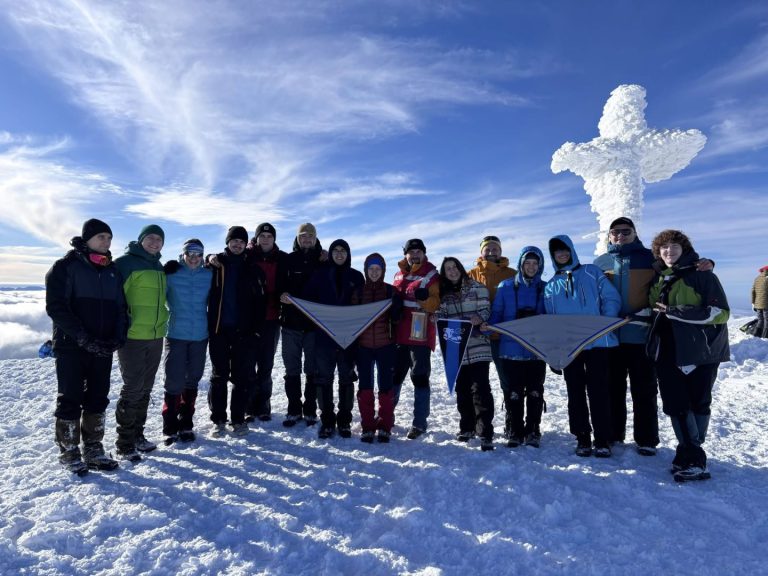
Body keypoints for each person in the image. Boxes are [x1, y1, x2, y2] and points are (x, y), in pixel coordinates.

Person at [45, 218, 127, 475]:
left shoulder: (112, 270)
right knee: (70, 397)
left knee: (98, 397)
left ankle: (93, 448)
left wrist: (118, 337)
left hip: (102, 347)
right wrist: (82, 338)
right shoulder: (66, 267)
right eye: (101, 237)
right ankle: (69, 451)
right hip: (72, 346)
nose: (106, 241)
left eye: (109, 238)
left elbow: (121, 309)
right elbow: (56, 308)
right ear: (87, 239)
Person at [647, 230, 729, 482]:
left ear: (685, 250)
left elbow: (720, 313)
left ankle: (692, 455)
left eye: (674, 247)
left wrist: (676, 312)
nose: (669, 252)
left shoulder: (702, 275)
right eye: (664, 248)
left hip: (701, 349)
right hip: (668, 349)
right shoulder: (659, 279)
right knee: (675, 403)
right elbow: (654, 311)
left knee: (699, 402)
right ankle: (691, 453)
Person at [544, 235, 621, 458]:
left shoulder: (591, 272)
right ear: (553, 256)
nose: (562, 254)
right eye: (557, 251)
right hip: (570, 349)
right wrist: (554, 353)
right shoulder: (550, 286)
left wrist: (604, 324)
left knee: (599, 392)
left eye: (565, 250)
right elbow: (550, 322)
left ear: (571, 250)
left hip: (598, 343)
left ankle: (603, 439)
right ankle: (582, 437)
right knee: (574, 393)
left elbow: (611, 298)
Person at [593, 217, 660, 455]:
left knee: (644, 389)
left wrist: (706, 263)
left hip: (641, 335)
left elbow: (672, 277)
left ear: (634, 233)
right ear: (609, 236)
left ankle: (647, 439)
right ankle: (613, 434)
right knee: (612, 388)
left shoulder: (650, 259)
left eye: (625, 231)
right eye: (615, 232)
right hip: (610, 337)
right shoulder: (601, 262)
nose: (620, 236)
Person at [113, 224, 168, 462]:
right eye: (151, 238)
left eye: (159, 240)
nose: (155, 243)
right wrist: (122, 324)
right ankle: (124, 442)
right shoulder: (124, 263)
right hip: (133, 336)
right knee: (133, 387)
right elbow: (114, 298)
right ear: (141, 239)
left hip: (156, 335)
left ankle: (138, 435)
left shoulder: (159, 266)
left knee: (146, 387)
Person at [206, 226, 266, 437]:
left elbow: (261, 303)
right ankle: (219, 420)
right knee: (219, 376)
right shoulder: (215, 265)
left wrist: (256, 332)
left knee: (242, 378)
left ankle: (238, 419)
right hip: (219, 330)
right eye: (234, 241)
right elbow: (192, 265)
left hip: (244, 332)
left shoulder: (253, 269)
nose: (238, 244)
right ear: (228, 242)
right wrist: (208, 258)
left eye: (242, 241)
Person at [302, 239, 364, 438]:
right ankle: (327, 420)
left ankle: (344, 421)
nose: (339, 254)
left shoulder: (356, 276)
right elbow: (306, 298)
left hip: (348, 339)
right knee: (323, 379)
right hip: (324, 338)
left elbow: (363, 306)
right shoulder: (320, 275)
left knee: (346, 378)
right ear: (331, 254)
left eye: (343, 251)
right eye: (335, 250)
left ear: (348, 254)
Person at [487, 247, 547, 448]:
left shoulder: (545, 289)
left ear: (540, 266)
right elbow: (497, 315)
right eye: (527, 263)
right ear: (521, 265)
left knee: (535, 392)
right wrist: (487, 327)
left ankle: (533, 430)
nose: (531, 267)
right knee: (513, 392)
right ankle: (514, 429)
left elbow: (551, 319)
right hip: (510, 351)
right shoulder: (505, 287)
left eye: (534, 263)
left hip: (536, 351)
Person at [437, 257, 495, 451]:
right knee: (462, 390)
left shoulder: (478, 287)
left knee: (480, 390)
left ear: (460, 269)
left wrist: (480, 317)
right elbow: (441, 316)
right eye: (447, 269)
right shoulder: (444, 296)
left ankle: (485, 431)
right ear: (444, 273)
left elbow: (487, 309)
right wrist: (433, 318)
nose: (452, 271)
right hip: (456, 348)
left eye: (454, 267)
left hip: (478, 346)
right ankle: (467, 427)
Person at [162, 238, 212, 445]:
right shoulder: (171, 274)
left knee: (193, 378)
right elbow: (159, 297)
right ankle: (169, 424)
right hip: (176, 334)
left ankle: (186, 423)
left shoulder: (209, 275)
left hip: (200, 334)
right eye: (189, 254)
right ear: (183, 254)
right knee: (174, 380)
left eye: (198, 254)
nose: (193, 258)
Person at [392, 239, 441, 440]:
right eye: (410, 252)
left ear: (424, 253)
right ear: (405, 254)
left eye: (418, 251)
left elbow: (436, 303)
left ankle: (419, 422)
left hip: (420, 335)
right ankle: (386, 415)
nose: (414, 255)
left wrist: (425, 298)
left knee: (419, 377)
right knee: (394, 376)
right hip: (398, 334)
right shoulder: (398, 274)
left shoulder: (432, 275)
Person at [467, 235, 516, 433]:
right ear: (481, 252)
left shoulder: (512, 273)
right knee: (478, 383)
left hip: (502, 336)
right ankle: (477, 423)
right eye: (488, 248)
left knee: (507, 381)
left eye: (495, 248)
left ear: (501, 250)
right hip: (477, 336)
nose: (491, 251)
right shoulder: (470, 274)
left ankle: (511, 421)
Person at [279, 223, 326, 427]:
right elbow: (277, 286)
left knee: (312, 369)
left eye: (310, 236)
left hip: (314, 326)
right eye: (303, 236)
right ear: (297, 238)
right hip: (290, 324)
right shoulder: (288, 260)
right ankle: (293, 409)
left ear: (315, 238)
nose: (306, 239)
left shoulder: (323, 261)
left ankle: (309, 409)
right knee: (292, 369)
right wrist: (281, 295)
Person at [352, 253, 402, 443]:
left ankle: (384, 425)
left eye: (377, 269)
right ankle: (367, 425)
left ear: (383, 271)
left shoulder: (391, 292)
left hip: (385, 346)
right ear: (366, 270)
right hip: (363, 346)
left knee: (385, 387)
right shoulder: (358, 292)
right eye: (371, 269)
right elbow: (352, 319)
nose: (374, 272)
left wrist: (397, 309)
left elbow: (398, 320)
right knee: (365, 386)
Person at [245, 223, 288, 421]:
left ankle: (263, 404)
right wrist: (211, 258)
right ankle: (249, 404)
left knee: (266, 364)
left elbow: (306, 260)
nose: (265, 239)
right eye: (262, 235)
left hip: (272, 318)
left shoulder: (282, 258)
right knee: (248, 363)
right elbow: (225, 258)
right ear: (256, 238)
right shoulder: (247, 256)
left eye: (269, 236)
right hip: (250, 318)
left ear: (274, 239)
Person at [751, 266, 768, 338]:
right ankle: (765, 336)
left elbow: (752, 291)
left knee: (760, 320)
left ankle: (756, 334)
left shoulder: (756, 279)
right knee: (767, 320)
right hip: (766, 304)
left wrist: (753, 303)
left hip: (757, 304)